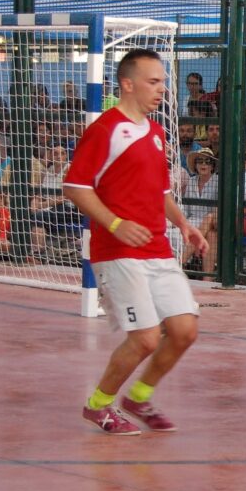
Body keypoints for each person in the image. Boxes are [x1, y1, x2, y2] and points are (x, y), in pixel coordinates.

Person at [63, 48, 208, 436]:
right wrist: (114, 224)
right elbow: (75, 186)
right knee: (144, 338)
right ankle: (98, 405)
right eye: (153, 81)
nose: (162, 89)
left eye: (163, 81)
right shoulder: (106, 130)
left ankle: (139, 397)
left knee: (183, 331)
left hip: (157, 247)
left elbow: (160, 191)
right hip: (117, 250)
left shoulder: (157, 133)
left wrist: (183, 225)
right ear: (128, 84)